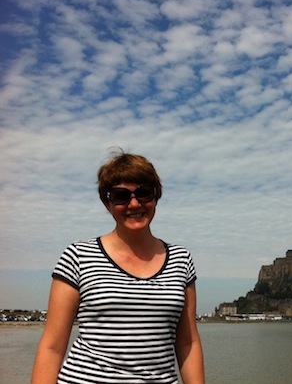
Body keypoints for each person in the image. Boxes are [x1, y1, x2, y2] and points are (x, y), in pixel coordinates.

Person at [32, 151, 205, 384]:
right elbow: (52, 346)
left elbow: (188, 342)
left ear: (156, 196)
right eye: (121, 196)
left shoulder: (180, 259)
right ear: (108, 203)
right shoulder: (78, 256)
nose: (134, 203)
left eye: (144, 193)